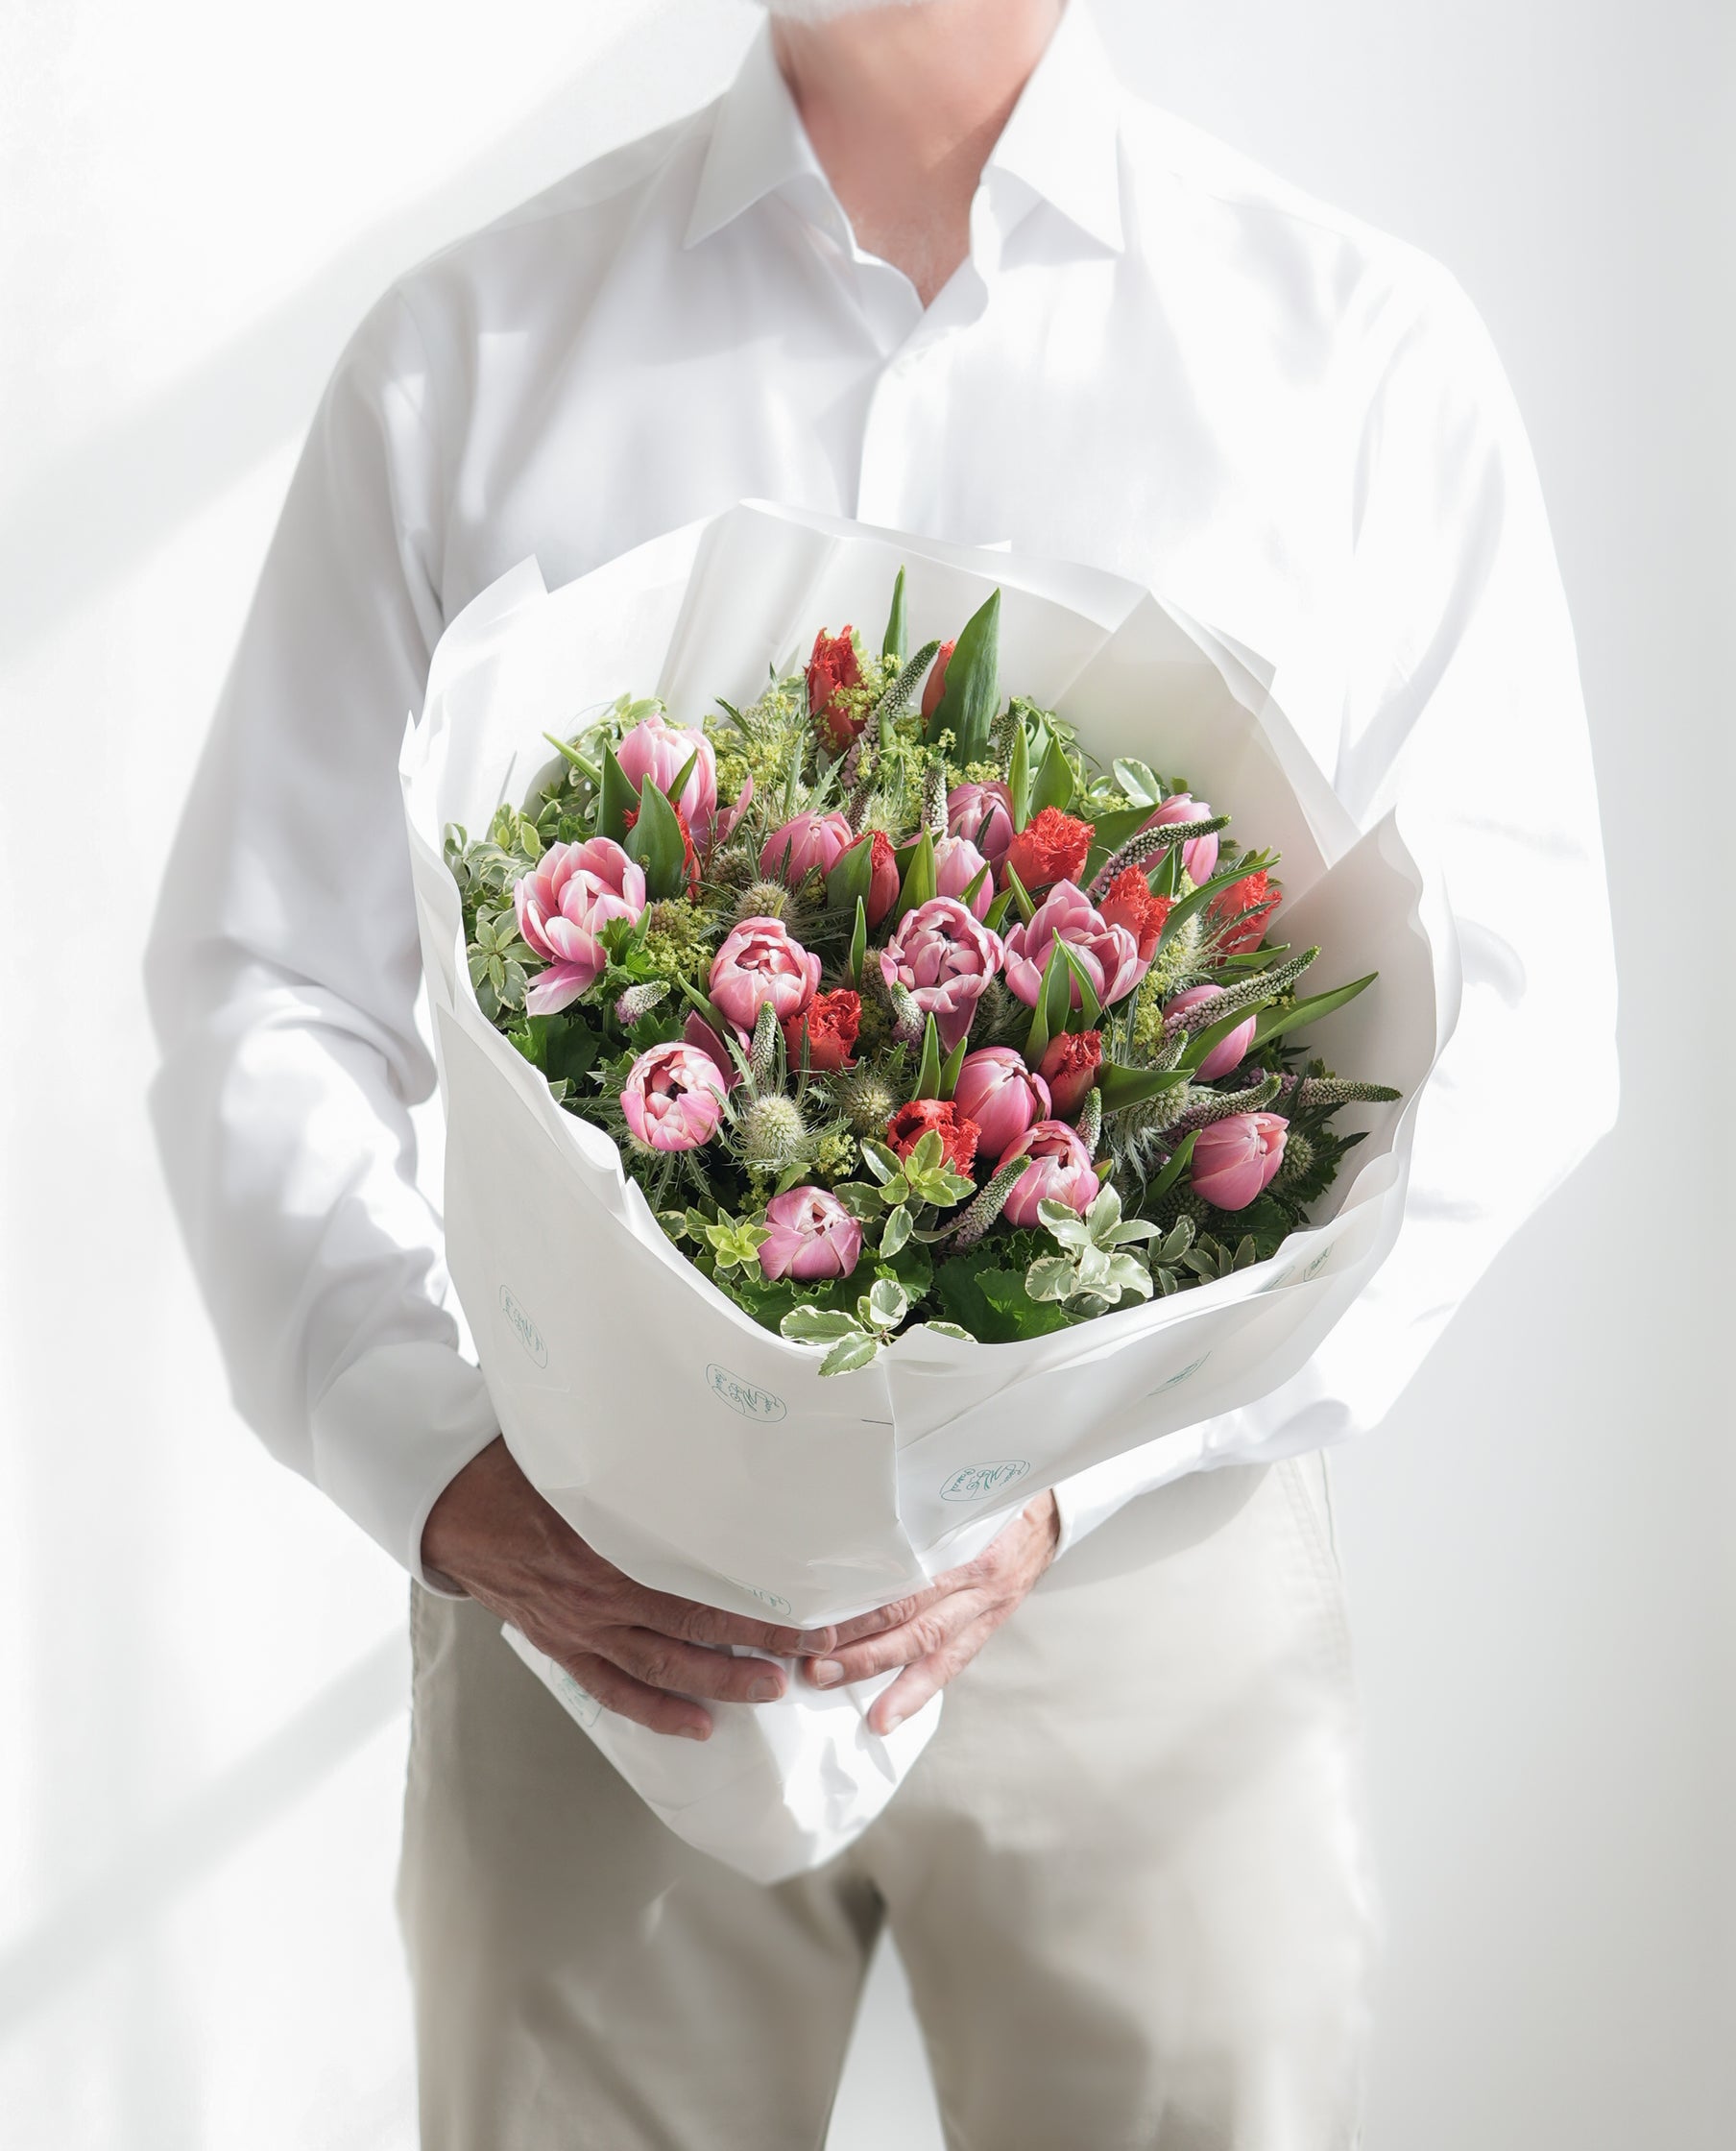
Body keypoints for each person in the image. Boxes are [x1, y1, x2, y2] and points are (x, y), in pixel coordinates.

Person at [146, 0, 1618, 2143]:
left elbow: (1524, 1013)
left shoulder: (1353, 351)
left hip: (1148, 1594)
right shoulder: (466, 351)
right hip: (595, 1608)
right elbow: (269, 980)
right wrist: (438, 1466)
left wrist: (1075, 1479)